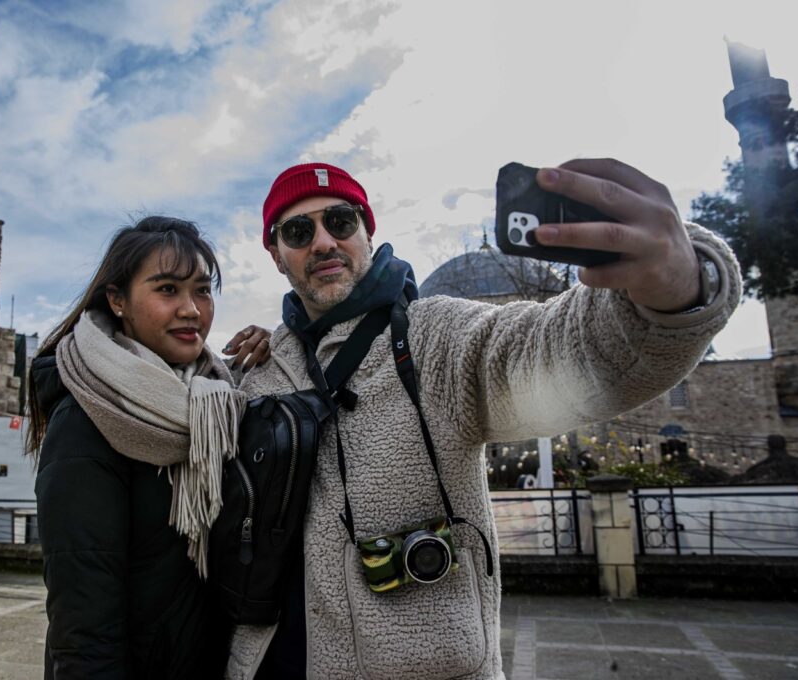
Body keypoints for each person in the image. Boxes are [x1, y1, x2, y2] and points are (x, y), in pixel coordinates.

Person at [225, 160, 742, 679]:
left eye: (339, 222)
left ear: (365, 230)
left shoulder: (436, 339)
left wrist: (676, 285)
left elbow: (562, 348)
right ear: (275, 254)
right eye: (298, 231)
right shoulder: (260, 370)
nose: (322, 242)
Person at [27, 216, 270, 679]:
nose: (192, 310)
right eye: (167, 290)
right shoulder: (87, 416)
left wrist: (279, 353)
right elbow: (83, 619)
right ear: (118, 300)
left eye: (202, 290)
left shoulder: (213, 396)